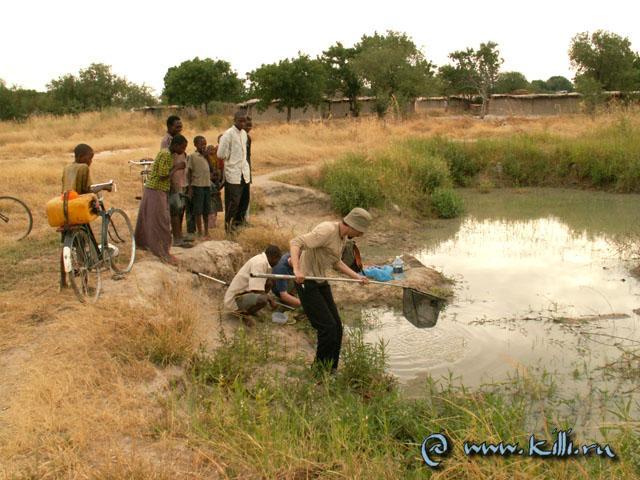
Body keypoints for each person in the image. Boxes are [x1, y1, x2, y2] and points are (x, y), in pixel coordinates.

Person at [290, 208, 372, 373]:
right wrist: (297, 270)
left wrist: (357, 277)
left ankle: (331, 368)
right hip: (307, 282)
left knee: (337, 326)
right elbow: (296, 242)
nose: (360, 235)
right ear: (353, 225)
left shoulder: (342, 238)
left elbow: (336, 262)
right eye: (360, 231)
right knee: (327, 328)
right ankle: (319, 372)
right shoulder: (327, 230)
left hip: (320, 280)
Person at [59, 144, 112, 288]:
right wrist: (104, 187)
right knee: (82, 245)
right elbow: (87, 189)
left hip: (65, 207)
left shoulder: (67, 167)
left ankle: (63, 282)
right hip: (77, 208)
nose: (91, 161)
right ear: (82, 157)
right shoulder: (83, 168)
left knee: (65, 246)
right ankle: (85, 284)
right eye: (90, 158)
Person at [134, 134, 188, 266]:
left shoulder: (167, 154)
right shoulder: (166, 155)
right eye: (183, 147)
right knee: (161, 220)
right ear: (175, 145)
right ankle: (162, 251)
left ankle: (146, 244)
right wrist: (177, 167)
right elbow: (163, 175)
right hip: (156, 190)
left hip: (156, 189)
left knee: (152, 218)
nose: (183, 150)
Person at [223, 245, 282, 326]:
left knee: (269, 282)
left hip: (245, 293)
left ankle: (250, 310)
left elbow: (266, 282)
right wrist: (270, 299)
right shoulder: (260, 263)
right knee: (263, 299)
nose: (277, 263)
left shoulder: (265, 261)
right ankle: (242, 314)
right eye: (277, 260)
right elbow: (256, 290)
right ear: (273, 257)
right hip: (235, 299)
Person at [217, 111, 249, 233]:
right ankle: (228, 227)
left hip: (243, 172)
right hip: (232, 172)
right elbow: (220, 154)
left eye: (244, 120)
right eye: (240, 120)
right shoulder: (228, 134)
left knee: (242, 200)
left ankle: (236, 224)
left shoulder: (244, 134)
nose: (242, 123)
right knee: (232, 202)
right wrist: (229, 158)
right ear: (234, 120)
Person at [186, 136, 212, 238]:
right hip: (197, 185)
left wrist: (207, 157)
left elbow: (211, 168)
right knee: (198, 210)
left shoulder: (206, 156)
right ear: (196, 145)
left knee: (206, 210)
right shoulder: (193, 156)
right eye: (201, 144)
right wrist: (190, 187)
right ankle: (200, 231)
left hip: (206, 185)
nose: (204, 146)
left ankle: (206, 231)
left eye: (205, 144)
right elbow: (189, 172)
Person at [237, 116, 253, 226]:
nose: (248, 127)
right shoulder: (236, 136)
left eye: (250, 125)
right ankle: (236, 222)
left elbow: (248, 156)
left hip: (246, 170)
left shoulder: (248, 138)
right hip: (237, 172)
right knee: (238, 197)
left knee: (245, 198)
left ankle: (243, 220)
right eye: (247, 125)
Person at [205, 140, 224, 229]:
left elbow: (218, 171)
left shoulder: (216, 159)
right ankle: (210, 224)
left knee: (215, 204)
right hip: (209, 184)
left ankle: (213, 222)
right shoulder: (206, 159)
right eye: (210, 150)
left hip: (216, 184)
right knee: (210, 205)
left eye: (213, 149)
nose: (212, 151)